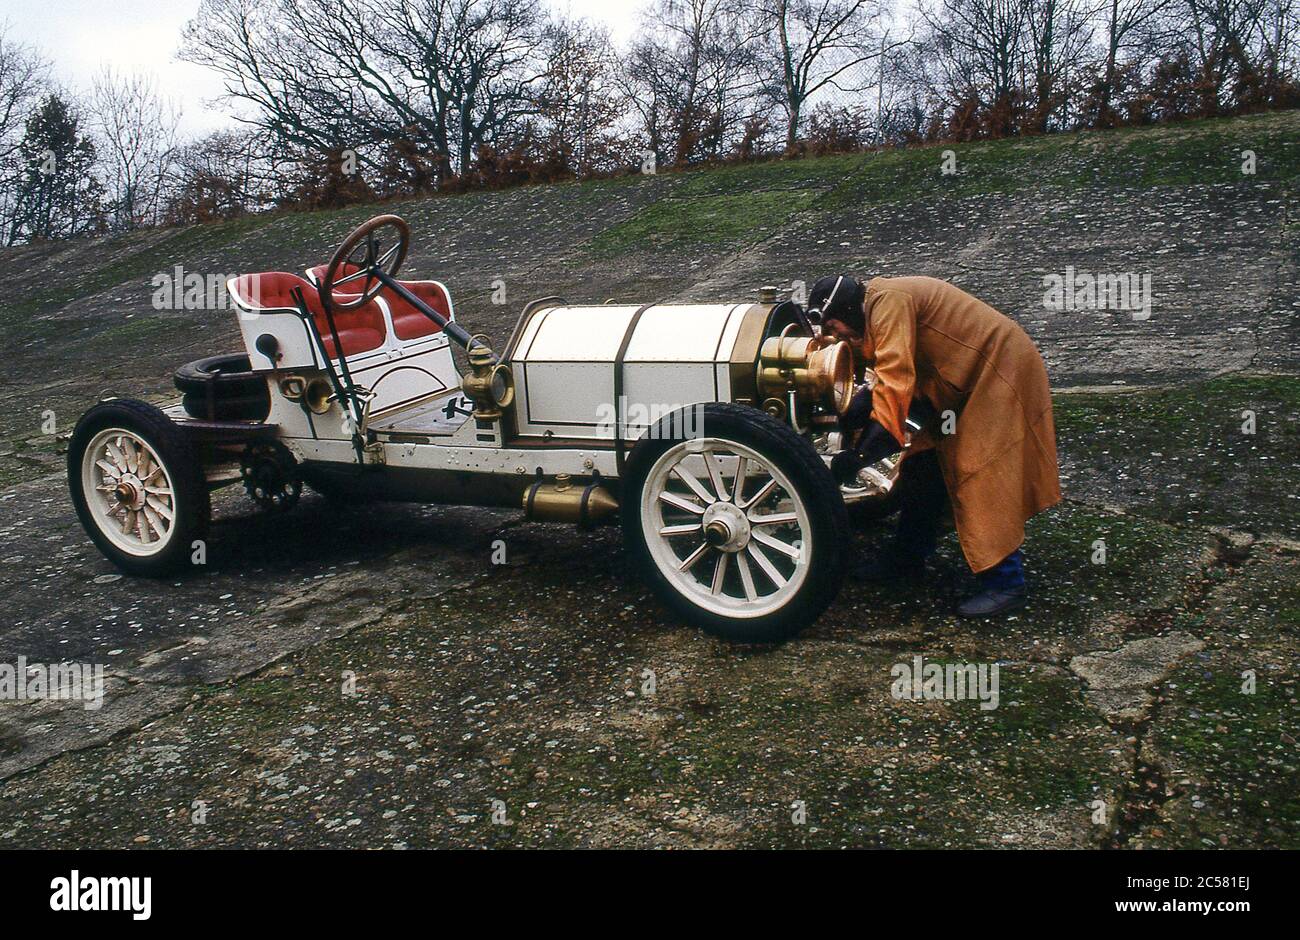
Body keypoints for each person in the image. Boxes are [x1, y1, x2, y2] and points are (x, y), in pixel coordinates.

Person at [807, 274, 1061, 618]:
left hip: (997, 368)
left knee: (980, 473)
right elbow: (882, 374)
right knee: (923, 466)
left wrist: (859, 456)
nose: (840, 337)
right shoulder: (876, 305)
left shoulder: (888, 302)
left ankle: (1007, 583)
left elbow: (895, 379)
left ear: (848, 309)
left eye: (837, 328)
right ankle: (907, 556)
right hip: (959, 378)